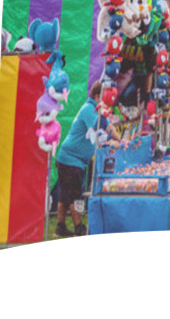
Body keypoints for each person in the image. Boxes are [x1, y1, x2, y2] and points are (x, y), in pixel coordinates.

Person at [55, 80, 121, 237]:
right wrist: (110, 141)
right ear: (98, 96)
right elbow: (98, 131)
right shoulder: (89, 110)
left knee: (65, 195)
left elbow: (107, 125)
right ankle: (79, 227)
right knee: (74, 195)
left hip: (71, 158)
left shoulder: (97, 110)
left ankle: (60, 226)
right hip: (71, 159)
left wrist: (118, 138)